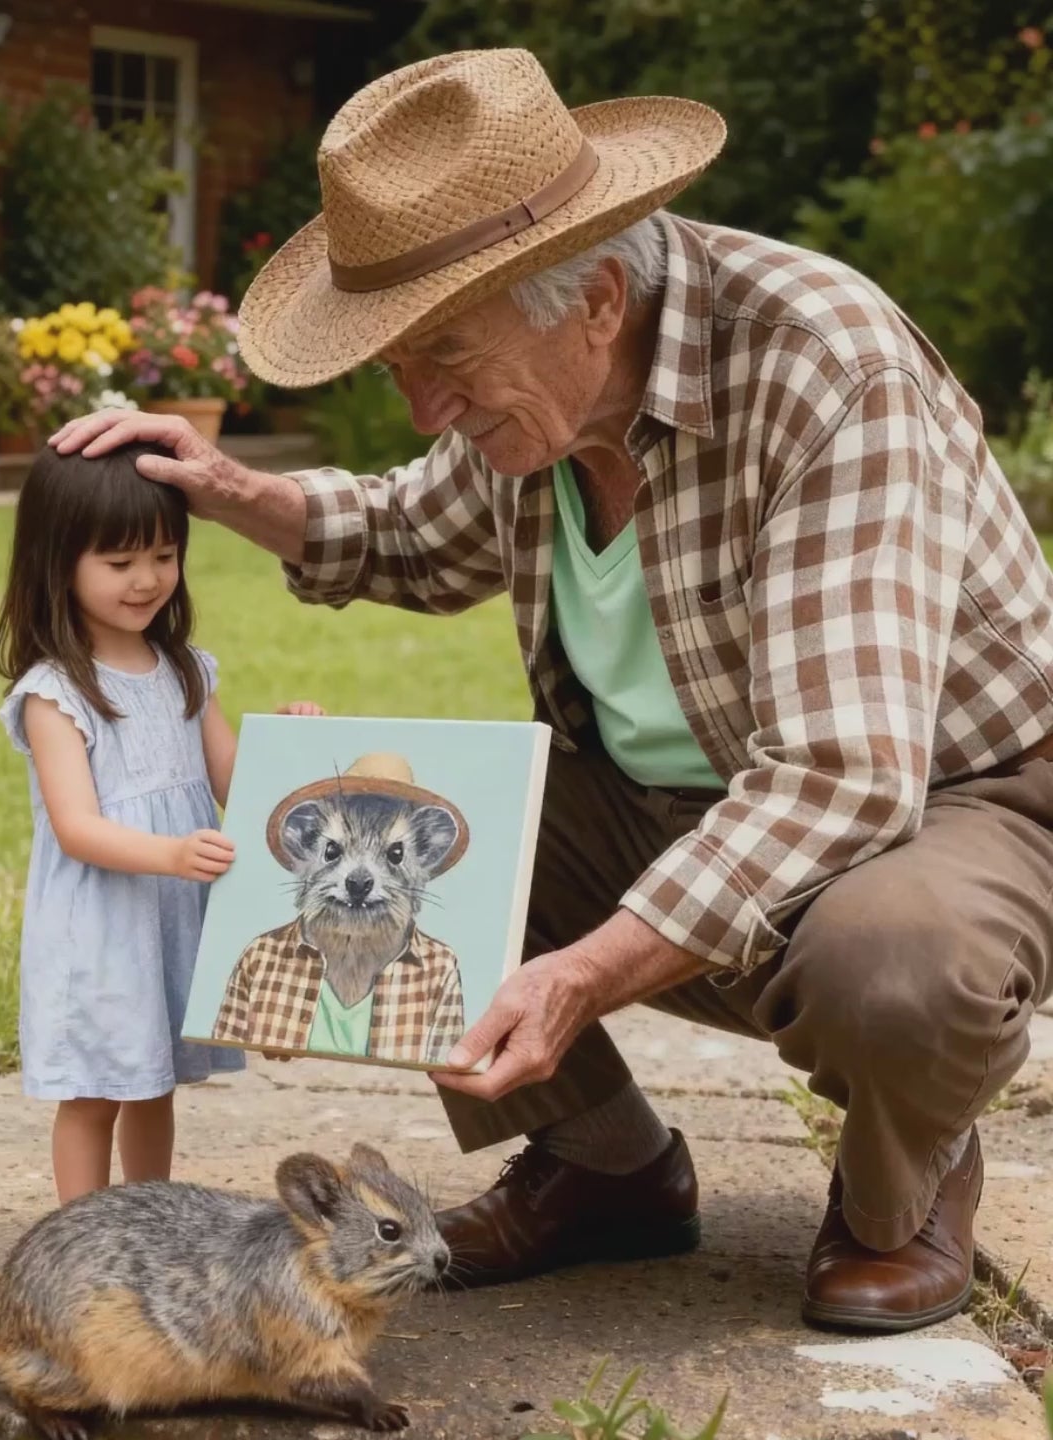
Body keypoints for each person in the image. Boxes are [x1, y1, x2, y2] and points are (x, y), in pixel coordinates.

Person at [51, 49, 1053, 1331]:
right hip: (673, 792)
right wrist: (237, 492)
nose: (423, 405)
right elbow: (416, 533)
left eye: (446, 354)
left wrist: (579, 973)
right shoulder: (545, 398)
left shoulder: (824, 366)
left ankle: (900, 1191)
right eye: (394, 366)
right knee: (380, 849)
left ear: (597, 301)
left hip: (947, 802)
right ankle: (607, 1169)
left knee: (894, 966)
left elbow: (840, 776)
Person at [0, 442, 321, 1203]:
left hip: (171, 912)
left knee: (154, 1079)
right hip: (104, 921)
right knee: (96, 1090)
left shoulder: (184, 669)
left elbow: (237, 781)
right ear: (58, 562)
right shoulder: (55, 694)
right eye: (118, 562)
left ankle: (152, 1217)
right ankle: (82, 1237)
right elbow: (76, 827)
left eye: (164, 555)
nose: (147, 580)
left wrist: (296, 741)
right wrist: (170, 852)